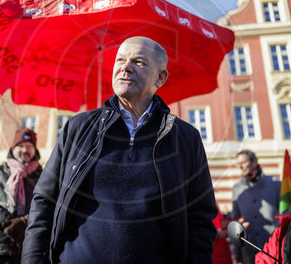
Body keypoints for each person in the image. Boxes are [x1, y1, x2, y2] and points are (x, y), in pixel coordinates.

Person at [22, 36, 218, 263]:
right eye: (120, 60)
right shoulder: (78, 127)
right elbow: (45, 200)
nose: (125, 67)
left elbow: (201, 217)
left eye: (139, 62)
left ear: (160, 77)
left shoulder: (186, 138)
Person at [0, 128, 43, 264]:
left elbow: (48, 207)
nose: (25, 150)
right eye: (21, 146)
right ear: (13, 148)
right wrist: (8, 223)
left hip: (28, 250)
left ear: (35, 150)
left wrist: (25, 223)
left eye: (29, 146)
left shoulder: (43, 177)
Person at [231, 150, 281, 264]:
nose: (240, 166)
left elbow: (285, 215)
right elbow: (235, 221)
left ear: (254, 162)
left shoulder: (275, 184)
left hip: (272, 249)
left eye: (243, 162)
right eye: (237, 163)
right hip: (248, 251)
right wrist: (235, 251)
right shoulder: (237, 189)